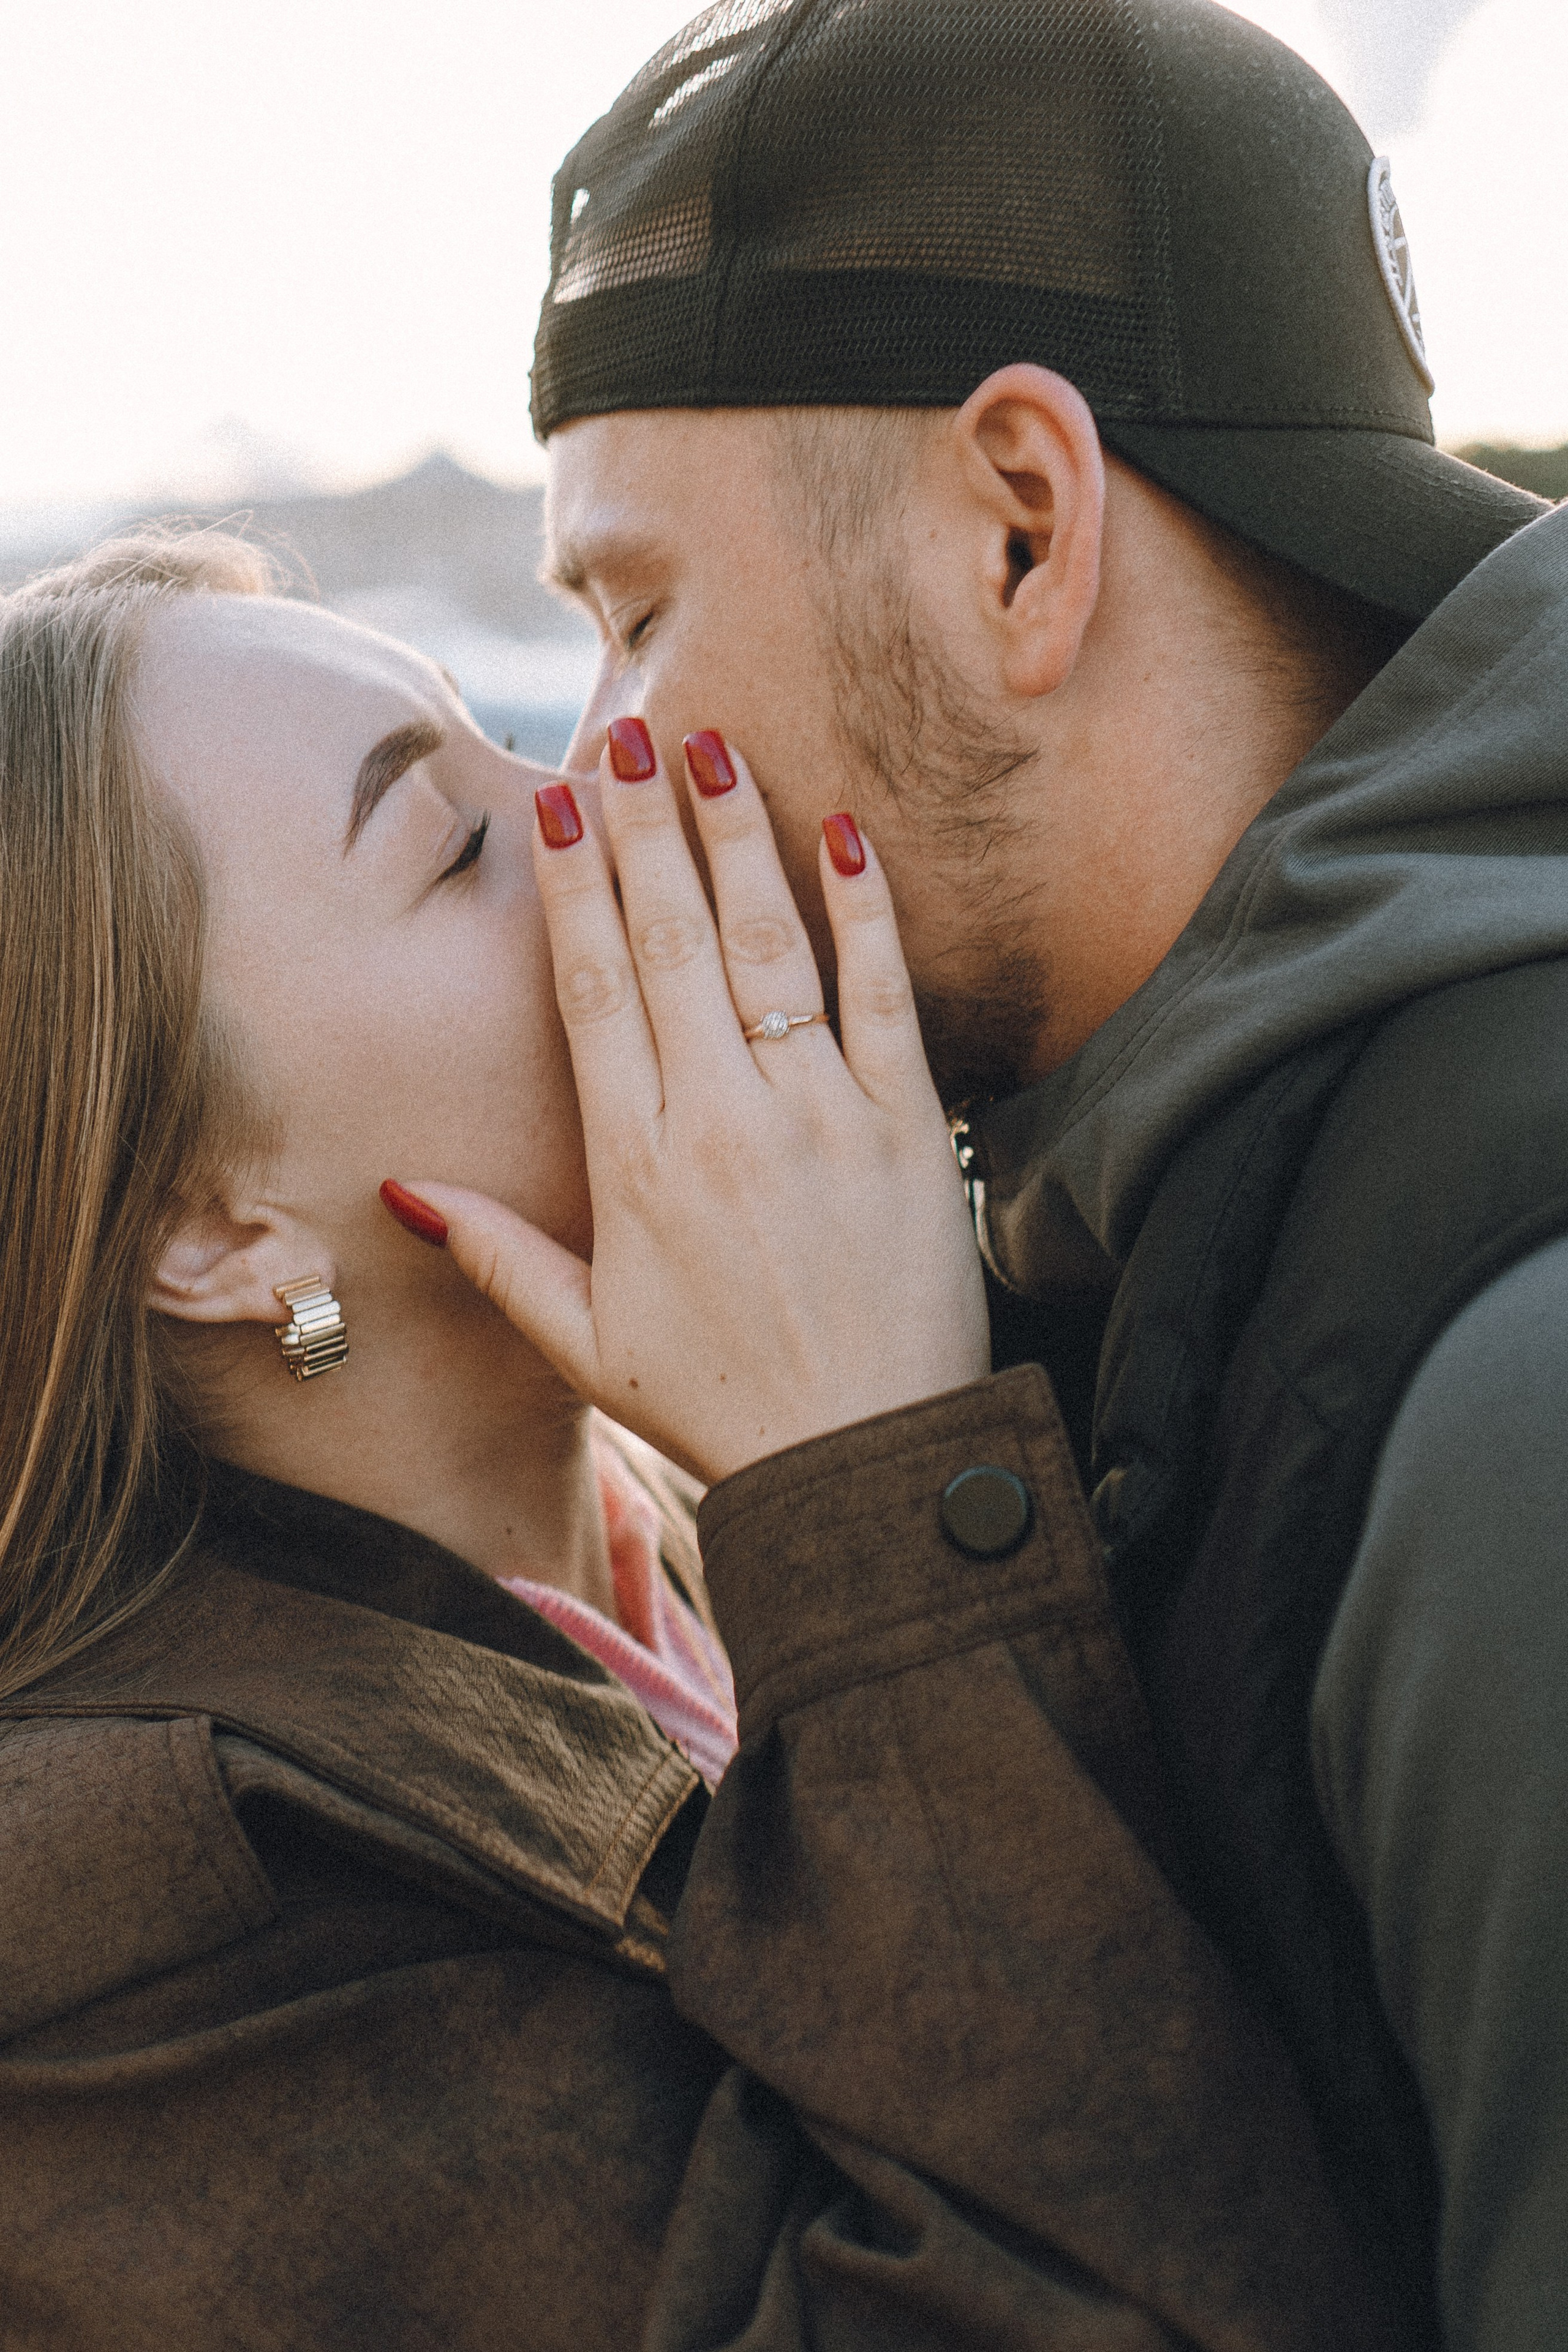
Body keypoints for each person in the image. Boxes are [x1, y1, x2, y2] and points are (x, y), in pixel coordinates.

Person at [459, 2, 1567, 2346]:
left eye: (633, 613)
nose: (597, 770)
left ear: (1021, 532)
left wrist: (871, 1505)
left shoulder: (1512, 1397)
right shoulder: (1160, 1205)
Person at [0, 530, 1394, 2347]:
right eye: (454, 845)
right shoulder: (131, 1928)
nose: (582, 784)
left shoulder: (693, 1495)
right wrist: (877, 1484)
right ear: (213, 1226)